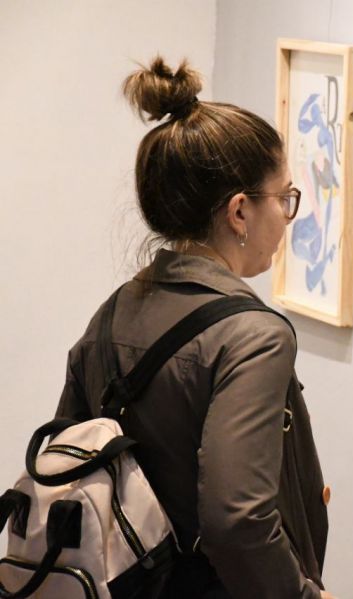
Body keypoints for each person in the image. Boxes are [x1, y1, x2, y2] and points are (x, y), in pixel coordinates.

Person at [54, 56, 336, 599]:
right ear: (239, 212)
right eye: (284, 198)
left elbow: (69, 467)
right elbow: (238, 520)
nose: (287, 216)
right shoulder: (255, 337)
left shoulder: (110, 316)